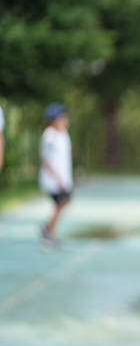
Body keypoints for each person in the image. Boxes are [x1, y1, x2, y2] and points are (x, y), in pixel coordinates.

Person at [39, 103, 73, 247]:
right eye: (61, 118)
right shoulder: (49, 136)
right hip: (53, 180)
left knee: (64, 202)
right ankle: (49, 234)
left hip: (64, 178)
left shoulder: (63, 134)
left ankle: (48, 227)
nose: (64, 121)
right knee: (61, 203)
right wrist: (57, 179)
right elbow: (46, 160)